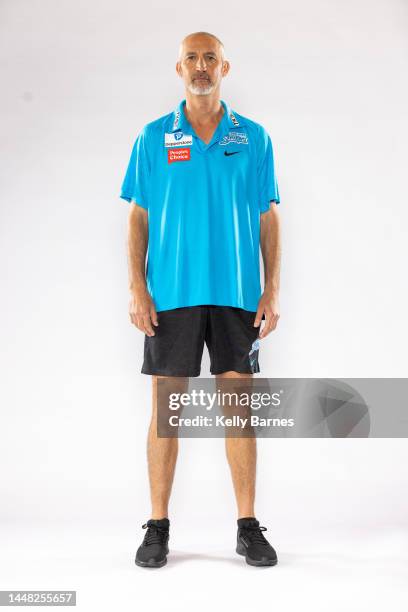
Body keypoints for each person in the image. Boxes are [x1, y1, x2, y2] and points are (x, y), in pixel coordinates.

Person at [120, 31, 282, 568]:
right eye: (192, 57)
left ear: (225, 67)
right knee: (168, 412)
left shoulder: (253, 138)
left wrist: (272, 286)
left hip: (236, 293)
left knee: (240, 412)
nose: (201, 66)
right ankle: (158, 527)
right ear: (179, 68)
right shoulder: (153, 137)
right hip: (172, 294)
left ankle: (246, 526)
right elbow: (139, 215)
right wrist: (138, 287)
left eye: (210, 57)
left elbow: (267, 215)